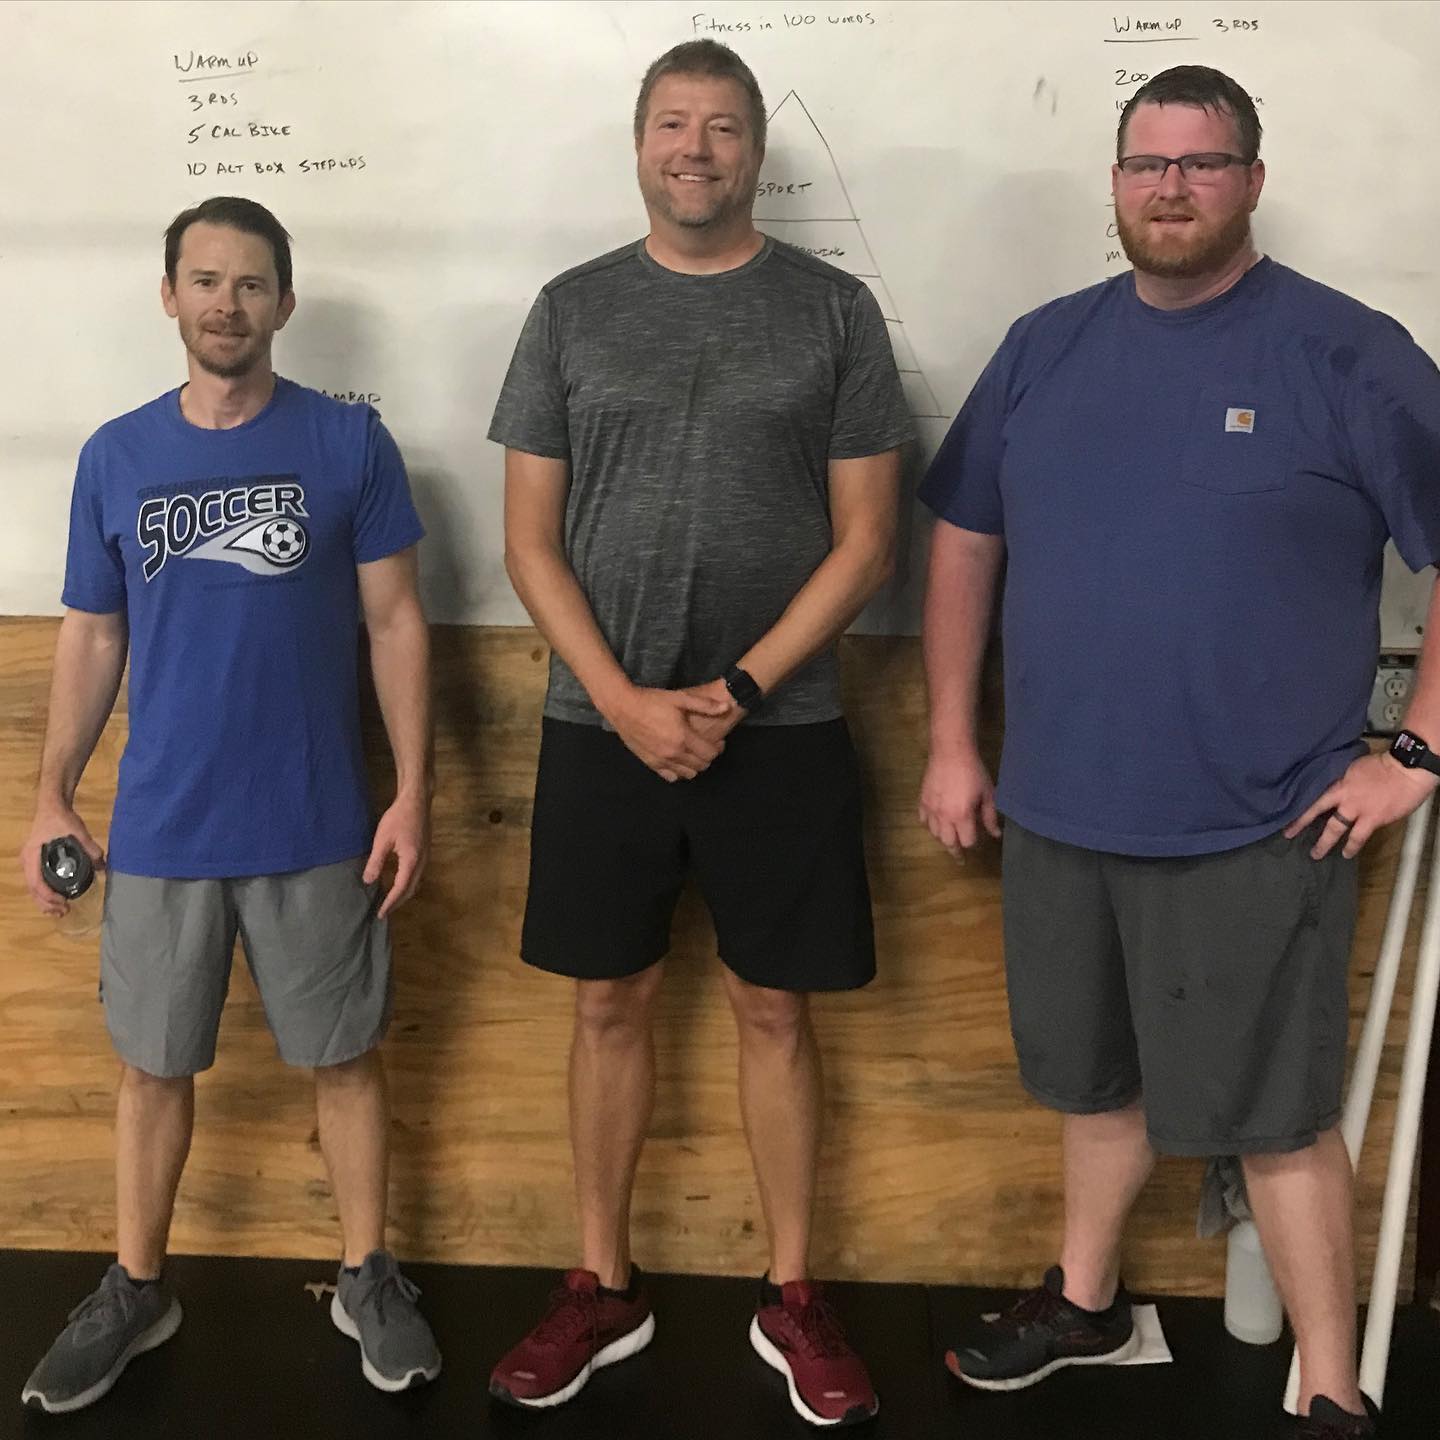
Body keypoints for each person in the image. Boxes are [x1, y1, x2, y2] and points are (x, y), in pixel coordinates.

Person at [918, 65, 1440, 1439]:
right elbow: (964, 541)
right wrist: (953, 741)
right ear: (1115, 183)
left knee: (1276, 1115)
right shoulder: (1044, 347)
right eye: (1148, 163)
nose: (1172, 188)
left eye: (1203, 164)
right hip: (1061, 809)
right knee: (1093, 1085)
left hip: (1258, 823)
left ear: (1251, 182)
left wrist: (1419, 751)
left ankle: (1330, 1385)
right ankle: (1087, 1302)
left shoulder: (1347, 353)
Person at [487, 39, 911, 1429]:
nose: (697, 149)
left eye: (723, 127)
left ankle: (793, 1294)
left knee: (774, 1009)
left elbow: (866, 542)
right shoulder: (570, 310)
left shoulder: (834, 312)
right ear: (639, 144)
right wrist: (622, 699)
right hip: (597, 722)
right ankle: (600, 1284)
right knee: (605, 1003)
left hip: (777, 730)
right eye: (673, 124)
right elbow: (528, 541)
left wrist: (734, 691)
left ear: (755, 155)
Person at [18, 196, 440, 1413]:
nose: (226, 304)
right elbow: (94, 635)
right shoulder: (116, 456)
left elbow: (396, 623)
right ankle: (137, 1290)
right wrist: (51, 793)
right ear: (169, 296)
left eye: (251, 284)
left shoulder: (348, 443)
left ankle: (366, 1275)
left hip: (317, 819)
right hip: (164, 826)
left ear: (284, 304)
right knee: (153, 1071)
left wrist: (414, 793)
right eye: (204, 280)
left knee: (344, 1060)